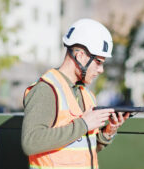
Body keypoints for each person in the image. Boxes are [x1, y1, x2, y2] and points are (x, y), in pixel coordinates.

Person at [21, 18, 130, 169]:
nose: (101, 70)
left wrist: (107, 133)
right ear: (80, 56)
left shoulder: (86, 95)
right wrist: (84, 124)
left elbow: (82, 149)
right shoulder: (46, 90)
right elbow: (31, 142)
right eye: (98, 62)